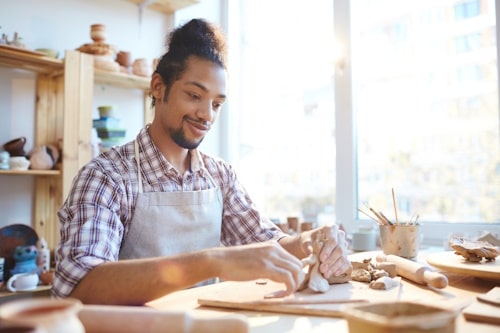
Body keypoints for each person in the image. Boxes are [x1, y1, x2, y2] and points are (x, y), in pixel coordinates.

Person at [53, 18, 350, 305]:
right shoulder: (107, 176)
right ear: (158, 87)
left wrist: (310, 241)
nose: (207, 114)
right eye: (195, 95)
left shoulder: (219, 175)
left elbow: (265, 244)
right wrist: (213, 260)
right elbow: (80, 286)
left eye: (217, 104)